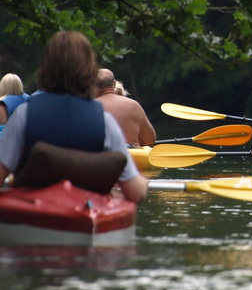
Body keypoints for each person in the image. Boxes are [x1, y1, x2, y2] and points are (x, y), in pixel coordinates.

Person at [0, 31, 148, 202]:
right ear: (89, 72)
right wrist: (143, 183)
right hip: (85, 211)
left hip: (34, 212)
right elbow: (136, 193)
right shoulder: (105, 122)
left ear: (46, 69)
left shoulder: (22, 116)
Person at [95, 68, 157, 147]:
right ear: (114, 84)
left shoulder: (88, 108)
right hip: (132, 156)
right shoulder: (133, 105)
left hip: (104, 156)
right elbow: (149, 139)